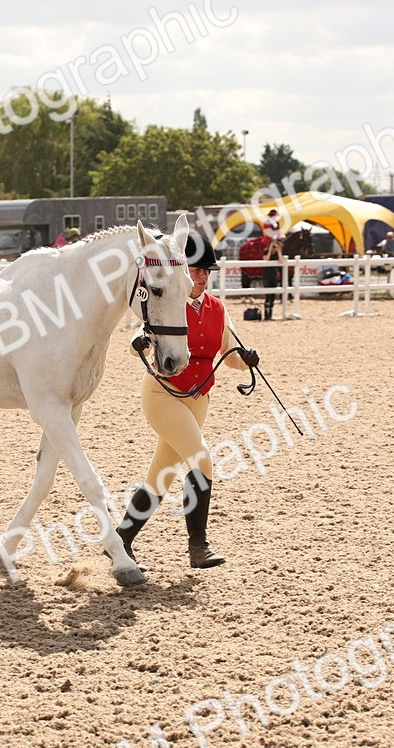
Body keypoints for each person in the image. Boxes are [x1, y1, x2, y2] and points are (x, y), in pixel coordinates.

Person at [115, 233, 260, 570]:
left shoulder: (218, 309)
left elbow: (230, 355)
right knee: (203, 460)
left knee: (161, 477)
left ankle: (120, 540)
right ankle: (199, 547)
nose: (202, 277)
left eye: (206, 272)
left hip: (199, 398)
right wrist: (139, 343)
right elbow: (144, 339)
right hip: (163, 394)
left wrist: (247, 359)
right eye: (196, 271)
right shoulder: (170, 302)